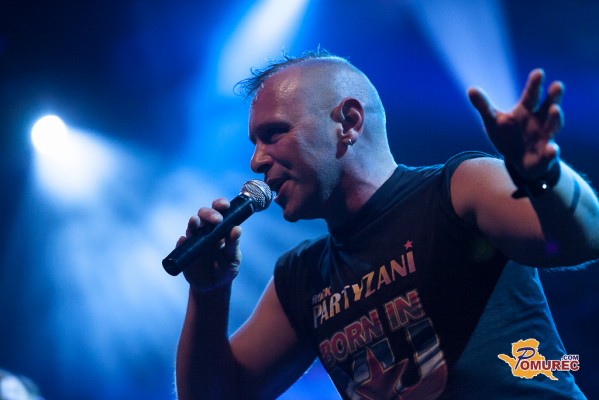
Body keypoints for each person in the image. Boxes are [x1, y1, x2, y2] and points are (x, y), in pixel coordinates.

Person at [171, 50, 599, 399]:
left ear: (349, 122)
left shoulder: (458, 188)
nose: (257, 161)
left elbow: (585, 239)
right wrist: (208, 293)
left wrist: (544, 177)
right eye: (254, 143)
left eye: (273, 134)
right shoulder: (302, 277)